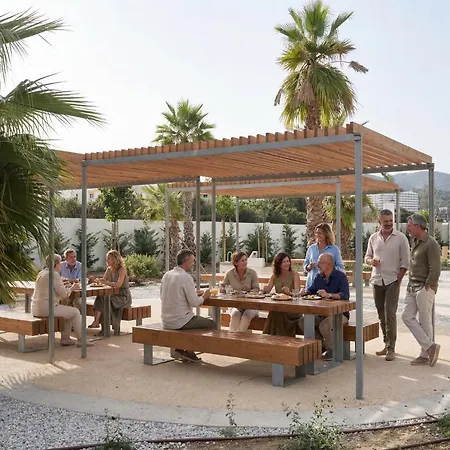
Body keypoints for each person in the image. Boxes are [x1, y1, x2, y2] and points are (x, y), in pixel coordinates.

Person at [365, 209, 410, 361]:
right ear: (380, 222)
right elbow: (367, 257)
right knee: (381, 314)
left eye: (391, 220)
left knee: (390, 314)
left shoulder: (401, 238)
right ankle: (386, 343)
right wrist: (371, 261)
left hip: (392, 281)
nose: (389, 223)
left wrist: (399, 279)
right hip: (377, 280)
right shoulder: (373, 238)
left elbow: (405, 262)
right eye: (386, 221)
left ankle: (391, 348)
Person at [161, 249, 216, 362]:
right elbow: (195, 303)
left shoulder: (167, 275)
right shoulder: (186, 277)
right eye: (192, 261)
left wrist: (193, 293)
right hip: (181, 321)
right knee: (212, 324)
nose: (193, 263)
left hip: (166, 320)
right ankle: (189, 351)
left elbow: (165, 295)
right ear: (186, 261)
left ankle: (181, 350)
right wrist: (205, 296)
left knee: (196, 323)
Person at [402, 214, 441, 366]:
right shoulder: (415, 241)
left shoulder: (431, 244)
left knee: (425, 321)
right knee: (406, 316)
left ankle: (425, 355)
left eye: (410, 225)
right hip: (412, 286)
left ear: (418, 226)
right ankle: (430, 347)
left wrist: (428, 285)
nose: (408, 228)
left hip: (424, 287)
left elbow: (435, 269)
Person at [32, 254, 93, 347]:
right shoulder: (54, 274)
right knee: (76, 312)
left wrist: (64, 285)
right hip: (47, 308)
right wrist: (73, 287)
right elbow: (64, 294)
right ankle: (81, 340)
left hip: (36, 308)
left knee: (67, 312)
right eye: (59, 263)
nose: (60, 265)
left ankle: (66, 339)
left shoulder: (41, 273)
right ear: (56, 263)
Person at [300, 253, 350, 361]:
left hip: (340, 313)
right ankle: (321, 345)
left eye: (320, 263)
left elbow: (345, 295)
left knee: (324, 325)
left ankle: (333, 350)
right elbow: (311, 290)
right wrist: (304, 292)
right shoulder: (319, 276)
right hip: (322, 313)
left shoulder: (340, 276)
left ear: (329, 264)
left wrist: (329, 295)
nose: (317, 265)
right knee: (303, 322)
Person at [88, 250, 132, 336]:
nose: (107, 260)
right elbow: (103, 281)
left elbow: (118, 285)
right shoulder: (109, 269)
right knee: (101, 297)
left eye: (109, 258)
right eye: (107, 258)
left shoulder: (121, 269)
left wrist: (105, 282)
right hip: (112, 294)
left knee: (105, 301)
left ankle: (100, 325)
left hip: (123, 296)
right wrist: (94, 280)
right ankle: (99, 324)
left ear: (115, 259)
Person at [262, 252, 302, 337]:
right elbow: (268, 289)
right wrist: (264, 289)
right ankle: (271, 339)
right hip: (279, 306)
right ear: (278, 264)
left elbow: (298, 295)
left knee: (277, 313)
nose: (287, 263)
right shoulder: (275, 276)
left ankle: (277, 338)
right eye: (284, 262)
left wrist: (289, 293)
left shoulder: (295, 274)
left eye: (288, 261)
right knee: (274, 312)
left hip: (293, 308)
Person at [222, 251, 259, 332]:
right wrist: (223, 289)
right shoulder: (230, 274)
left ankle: (238, 338)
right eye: (242, 260)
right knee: (235, 315)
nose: (245, 262)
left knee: (246, 316)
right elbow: (223, 286)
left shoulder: (252, 273)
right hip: (235, 304)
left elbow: (257, 290)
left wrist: (250, 289)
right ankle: (233, 337)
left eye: (246, 260)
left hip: (251, 305)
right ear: (236, 263)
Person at [304, 223, 345, 289]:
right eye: (316, 233)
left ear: (326, 234)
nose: (317, 235)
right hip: (311, 285)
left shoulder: (334, 249)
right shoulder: (311, 248)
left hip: (328, 286)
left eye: (320, 233)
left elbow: (341, 268)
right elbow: (305, 264)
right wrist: (309, 267)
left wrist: (328, 268)